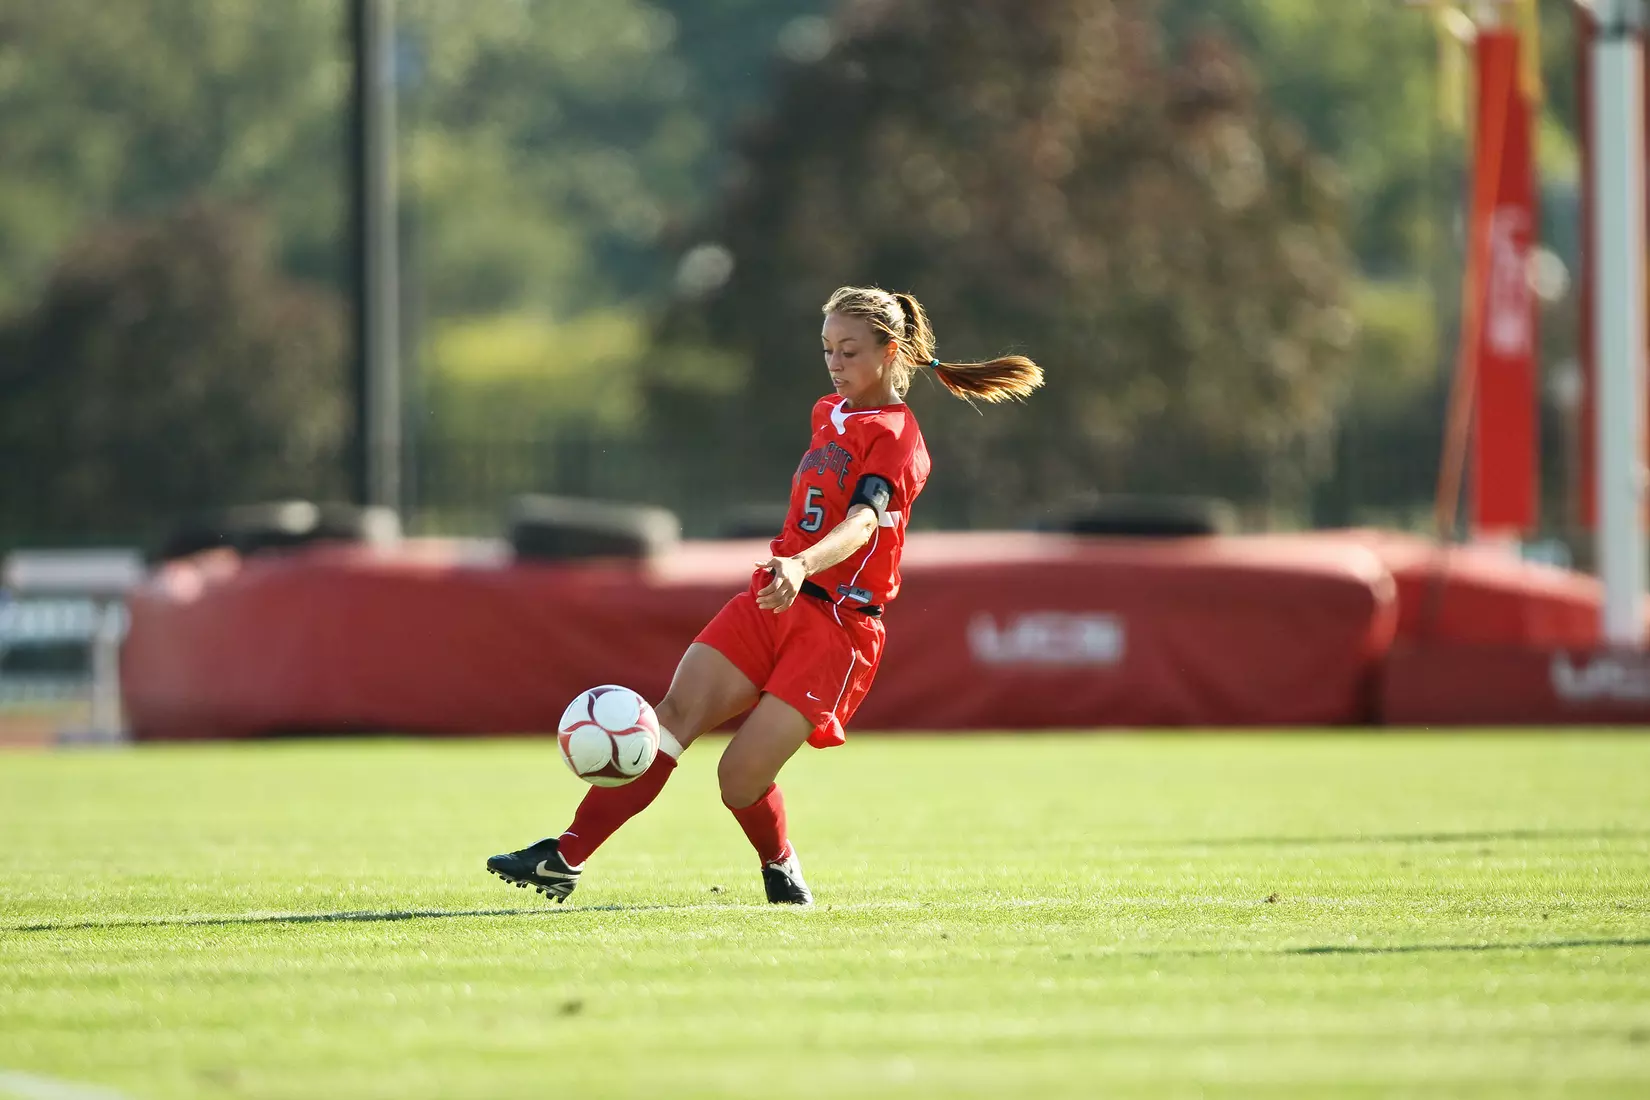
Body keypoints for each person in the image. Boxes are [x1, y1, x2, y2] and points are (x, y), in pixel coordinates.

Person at [487, 285, 1043, 905]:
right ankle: (565, 857)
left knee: (738, 779)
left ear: (891, 353)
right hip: (773, 598)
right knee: (669, 718)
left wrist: (802, 563)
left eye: (850, 350)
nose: (834, 361)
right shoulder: (827, 412)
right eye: (828, 348)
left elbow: (865, 523)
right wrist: (791, 570)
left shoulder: (898, 438)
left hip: (837, 625)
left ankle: (780, 865)